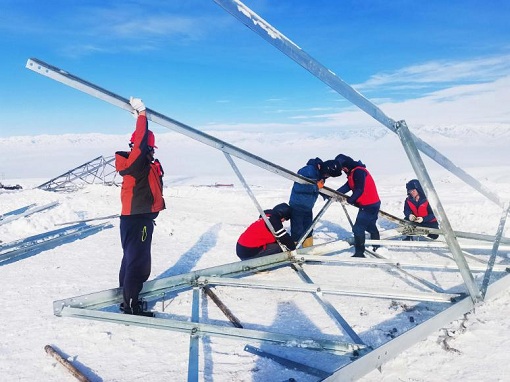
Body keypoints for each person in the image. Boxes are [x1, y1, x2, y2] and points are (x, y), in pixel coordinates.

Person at [115, 97, 165, 317]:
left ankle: (126, 299)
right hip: (138, 220)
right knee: (138, 264)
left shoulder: (140, 164)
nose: (153, 151)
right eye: (151, 148)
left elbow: (142, 144)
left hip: (134, 219)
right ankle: (132, 307)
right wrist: (142, 116)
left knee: (130, 259)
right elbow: (142, 143)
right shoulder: (138, 162)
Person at [335, 154, 381, 258]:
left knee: (358, 229)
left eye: (343, 167)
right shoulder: (353, 173)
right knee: (369, 225)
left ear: (347, 164)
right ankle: (377, 246)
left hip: (369, 205)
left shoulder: (358, 171)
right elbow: (347, 186)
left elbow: (360, 189)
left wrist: (350, 200)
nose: (343, 170)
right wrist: (334, 193)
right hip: (371, 204)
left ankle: (360, 253)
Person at [289, 158, 329, 247]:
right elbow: (299, 187)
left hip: (308, 206)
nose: (327, 176)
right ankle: (293, 252)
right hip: (297, 205)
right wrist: (316, 187)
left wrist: (325, 194)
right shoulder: (307, 171)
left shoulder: (320, 173)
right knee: (297, 230)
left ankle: (308, 250)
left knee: (308, 229)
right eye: (327, 175)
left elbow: (317, 187)